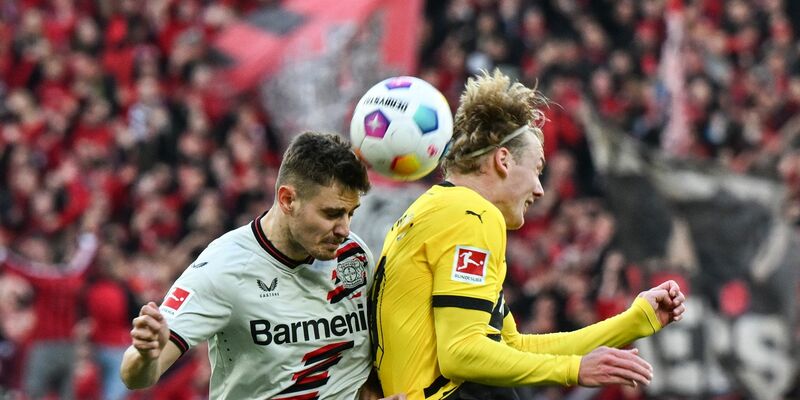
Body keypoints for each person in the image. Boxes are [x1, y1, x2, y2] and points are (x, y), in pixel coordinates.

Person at [368, 70, 687, 400]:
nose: (538, 189)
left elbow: (512, 346)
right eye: (537, 170)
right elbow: (461, 353)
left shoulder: (433, 209)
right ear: (503, 160)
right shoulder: (471, 214)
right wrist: (573, 370)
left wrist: (634, 322)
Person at [121, 131, 399, 399]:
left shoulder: (355, 256)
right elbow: (137, 377)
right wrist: (147, 355)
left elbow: (364, 356)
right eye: (332, 214)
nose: (344, 229)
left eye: (351, 213)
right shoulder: (223, 269)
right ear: (288, 199)